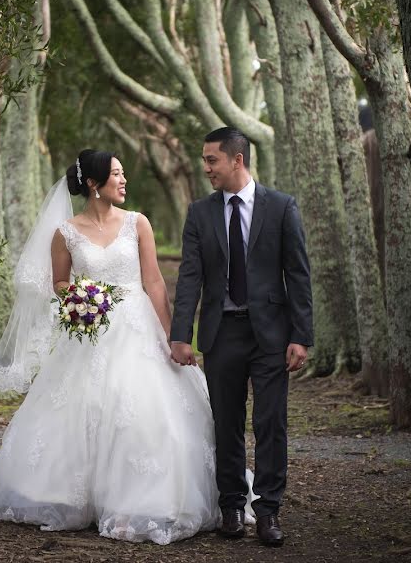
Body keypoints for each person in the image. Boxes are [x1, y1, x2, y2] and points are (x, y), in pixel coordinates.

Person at [0, 150, 225, 545]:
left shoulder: (137, 224)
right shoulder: (66, 232)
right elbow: (58, 282)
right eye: (116, 174)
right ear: (94, 184)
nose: (124, 181)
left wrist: (175, 336)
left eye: (124, 174)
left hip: (138, 329)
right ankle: (68, 495)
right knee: (82, 409)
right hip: (90, 331)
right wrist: (79, 296)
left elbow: (155, 283)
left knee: (144, 411)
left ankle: (143, 498)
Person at [169, 127, 313, 547]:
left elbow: (298, 274)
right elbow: (190, 278)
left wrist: (301, 336)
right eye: (204, 161)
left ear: (237, 159)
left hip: (271, 333)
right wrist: (182, 335)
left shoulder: (282, 207)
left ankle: (268, 511)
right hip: (222, 332)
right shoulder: (200, 213)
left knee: (270, 423)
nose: (206, 168)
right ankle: (232, 505)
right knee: (226, 422)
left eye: (212, 160)